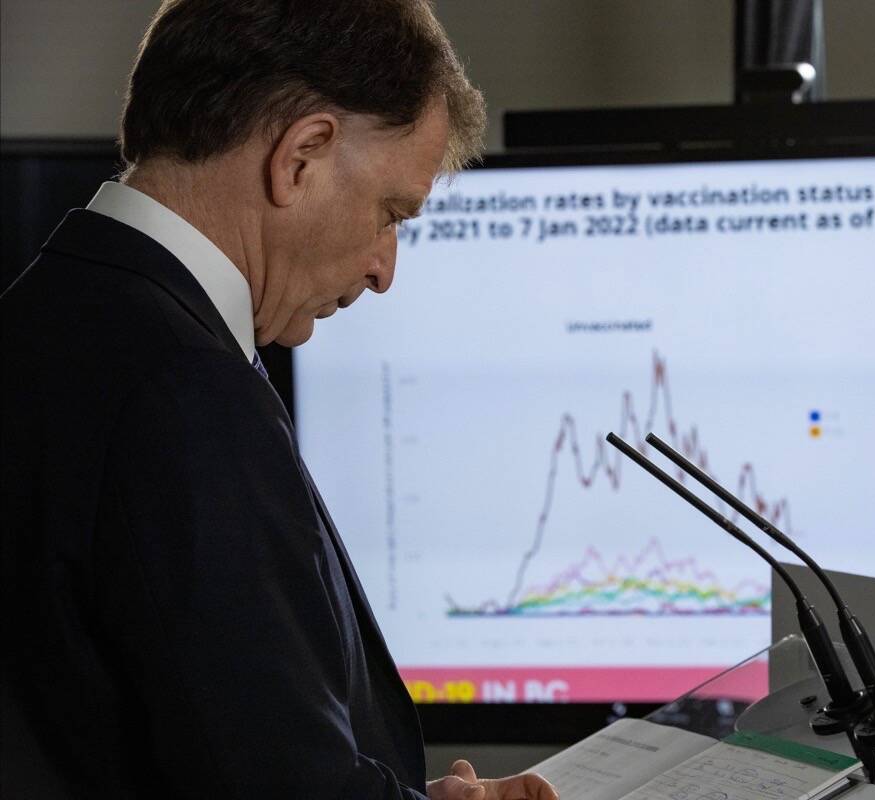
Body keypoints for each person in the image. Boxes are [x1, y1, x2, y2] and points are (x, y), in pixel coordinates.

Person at [0, 2, 556, 798]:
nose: (382, 269)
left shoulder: (42, 320)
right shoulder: (185, 391)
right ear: (302, 155)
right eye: (390, 213)